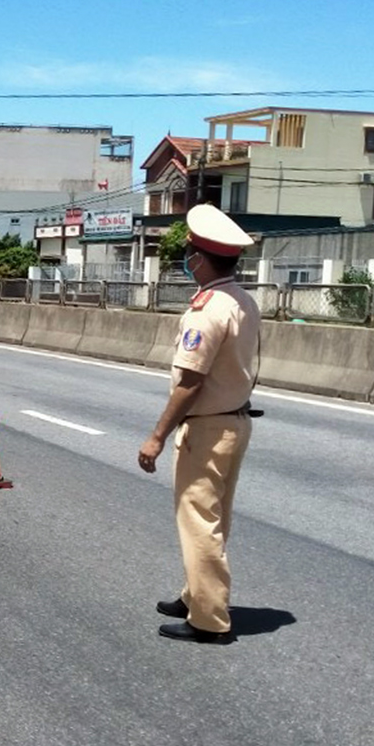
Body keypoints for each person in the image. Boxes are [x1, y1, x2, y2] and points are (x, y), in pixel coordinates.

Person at [137, 204, 261, 644]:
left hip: (208, 426)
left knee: (197, 518)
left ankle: (208, 618)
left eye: (189, 252)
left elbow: (190, 381)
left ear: (201, 258)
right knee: (214, 516)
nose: (186, 259)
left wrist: (156, 436)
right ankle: (195, 594)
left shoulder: (207, 310)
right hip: (234, 422)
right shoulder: (241, 299)